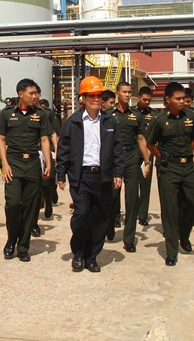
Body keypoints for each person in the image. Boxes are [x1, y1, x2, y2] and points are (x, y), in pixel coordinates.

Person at [56, 76, 124, 273]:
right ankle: (78, 253)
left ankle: (92, 257)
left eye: (98, 95)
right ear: (83, 98)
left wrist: (118, 172)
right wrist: (61, 174)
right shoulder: (73, 122)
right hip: (81, 176)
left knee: (100, 218)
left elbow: (118, 149)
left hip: (103, 177)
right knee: (82, 214)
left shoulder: (110, 121)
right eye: (91, 96)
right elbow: (64, 149)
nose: (95, 99)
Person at [147, 82, 194, 266]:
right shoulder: (159, 120)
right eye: (178, 99)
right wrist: (161, 157)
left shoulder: (192, 117)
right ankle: (172, 251)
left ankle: (184, 235)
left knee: (193, 204)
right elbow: (150, 144)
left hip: (188, 167)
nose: (182, 102)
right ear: (168, 100)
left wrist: (188, 155)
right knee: (170, 210)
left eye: (183, 98)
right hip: (169, 168)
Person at [0, 78, 52, 262]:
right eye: (31, 93)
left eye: (36, 93)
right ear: (21, 94)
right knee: (12, 203)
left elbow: (44, 140)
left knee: (30, 206)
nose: (35, 96)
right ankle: (11, 239)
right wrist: (4, 163)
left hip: (33, 163)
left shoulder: (41, 114)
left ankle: (23, 246)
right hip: (13, 163)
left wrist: (48, 162)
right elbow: (1, 139)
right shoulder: (7, 113)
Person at [108, 82, 151, 252]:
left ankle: (129, 239)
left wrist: (146, 161)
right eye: (124, 92)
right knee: (112, 196)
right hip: (113, 159)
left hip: (132, 157)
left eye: (129, 92)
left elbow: (141, 139)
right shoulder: (107, 115)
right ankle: (110, 225)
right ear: (117, 93)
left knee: (132, 198)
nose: (127, 95)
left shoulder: (136, 115)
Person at [30, 90, 61, 236]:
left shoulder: (47, 113)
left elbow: (53, 132)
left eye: (36, 94)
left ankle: (48, 202)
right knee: (34, 188)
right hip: (31, 151)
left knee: (47, 182)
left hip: (46, 149)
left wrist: (56, 150)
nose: (33, 97)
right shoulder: (23, 113)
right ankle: (34, 219)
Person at [134, 86, 156, 226]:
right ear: (138, 97)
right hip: (133, 153)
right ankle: (133, 211)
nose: (147, 102)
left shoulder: (154, 115)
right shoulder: (132, 112)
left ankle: (143, 215)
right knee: (132, 185)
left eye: (149, 100)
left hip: (147, 153)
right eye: (144, 99)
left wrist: (148, 157)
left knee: (145, 185)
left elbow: (154, 138)